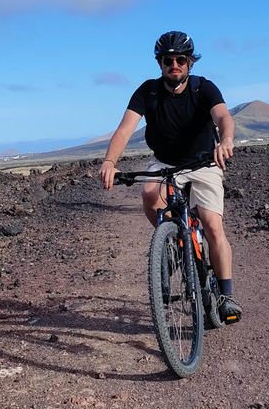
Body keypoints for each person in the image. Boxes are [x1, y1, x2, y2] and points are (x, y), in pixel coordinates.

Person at [98, 31, 242, 323]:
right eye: (167, 60)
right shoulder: (147, 92)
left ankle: (226, 296)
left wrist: (225, 141)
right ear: (160, 63)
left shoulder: (204, 89)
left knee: (213, 225)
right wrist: (110, 161)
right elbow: (125, 128)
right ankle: (175, 244)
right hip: (166, 162)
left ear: (190, 62)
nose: (173, 65)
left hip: (204, 162)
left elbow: (223, 118)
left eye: (180, 59)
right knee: (150, 194)